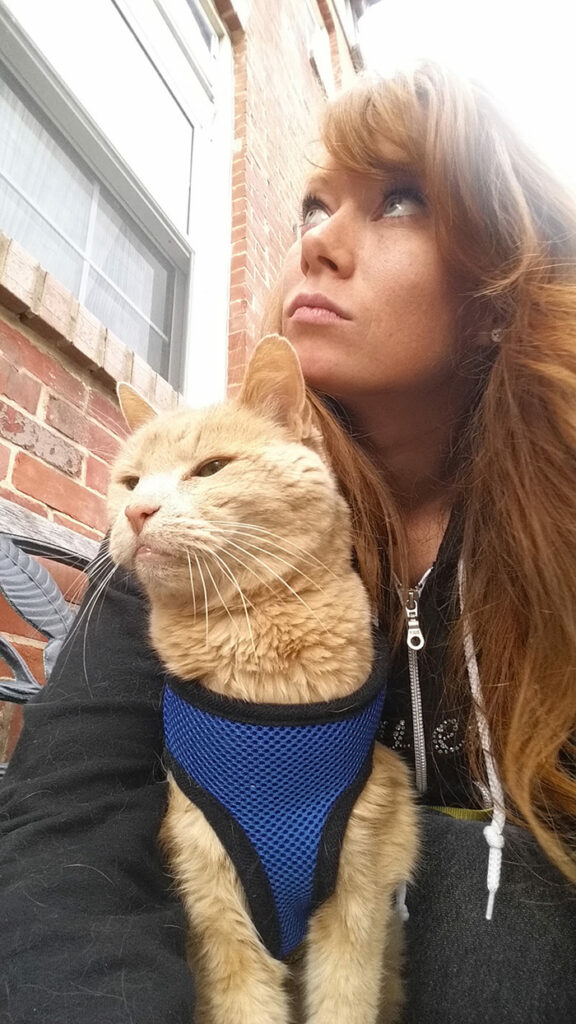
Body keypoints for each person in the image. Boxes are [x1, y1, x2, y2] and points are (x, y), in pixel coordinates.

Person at [1, 62, 575, 1024]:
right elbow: (66, 817)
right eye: (312, 206)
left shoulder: (553, 523)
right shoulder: (184, 532)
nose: (320, 245)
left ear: (506, 267)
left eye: (398, 199)